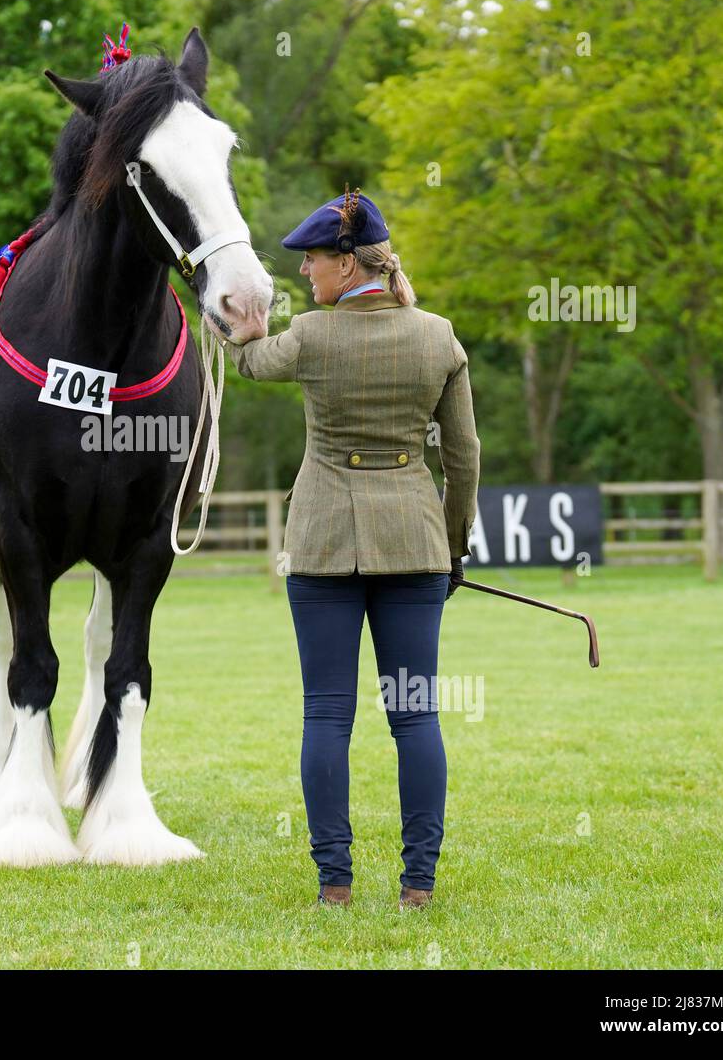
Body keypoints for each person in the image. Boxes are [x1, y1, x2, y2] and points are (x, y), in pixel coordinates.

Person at [224, 186, 480, 912]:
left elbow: (247, 364)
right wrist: (452, 547)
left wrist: (232, 321)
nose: (306, 273)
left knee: (327, 715)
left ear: (344, 263)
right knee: (416, 716)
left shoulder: (309, 335)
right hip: (414, 548)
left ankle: (334, 883)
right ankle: (418, 885)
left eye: (312, 260)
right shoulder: (439, 336)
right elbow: (463, 459)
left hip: (324, 546)